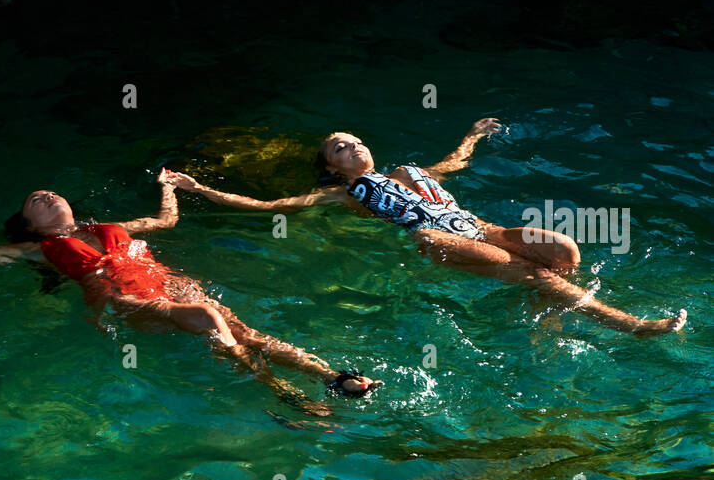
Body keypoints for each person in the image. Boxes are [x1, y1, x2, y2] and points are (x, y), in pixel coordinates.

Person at [0, 170, 380, 402]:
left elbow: (165, 221)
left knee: (249, 332)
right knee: (213, 324)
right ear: (31, 226)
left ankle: (335, 379)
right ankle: (283, 398)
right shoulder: (37, 249)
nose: (47, 195)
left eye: (50, 192)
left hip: (170, 286)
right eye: (36, 201)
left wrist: (168, 187)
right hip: (124, 302)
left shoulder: (107, 227)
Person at [165, 121, 688, 337]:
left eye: (353, 140)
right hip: (437, 241)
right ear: (331, 167)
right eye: (338, 148)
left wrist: (474, 135)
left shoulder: (407, 171)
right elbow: (267, 204)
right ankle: (633, 326)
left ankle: (545, 317)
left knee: (564, 252)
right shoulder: (343, 193)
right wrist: (200, 190)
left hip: (477, 225)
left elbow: (453, 165)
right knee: (537, 276)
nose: (352, 147)